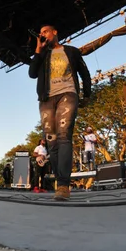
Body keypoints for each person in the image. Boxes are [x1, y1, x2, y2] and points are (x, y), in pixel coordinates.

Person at [28, 24, 92, 201]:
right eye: (40, 33)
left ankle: (64, 184)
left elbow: (84, 73)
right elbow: (32, 73)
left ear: (55, 32)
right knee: (52, 141)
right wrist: (38, 51)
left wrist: (87, 94)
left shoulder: (71, 51)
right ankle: (60, 182)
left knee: (64, 136)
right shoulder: (42, 54)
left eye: (45, 32)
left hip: (67, 93)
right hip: (46, 98)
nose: (42, 35)